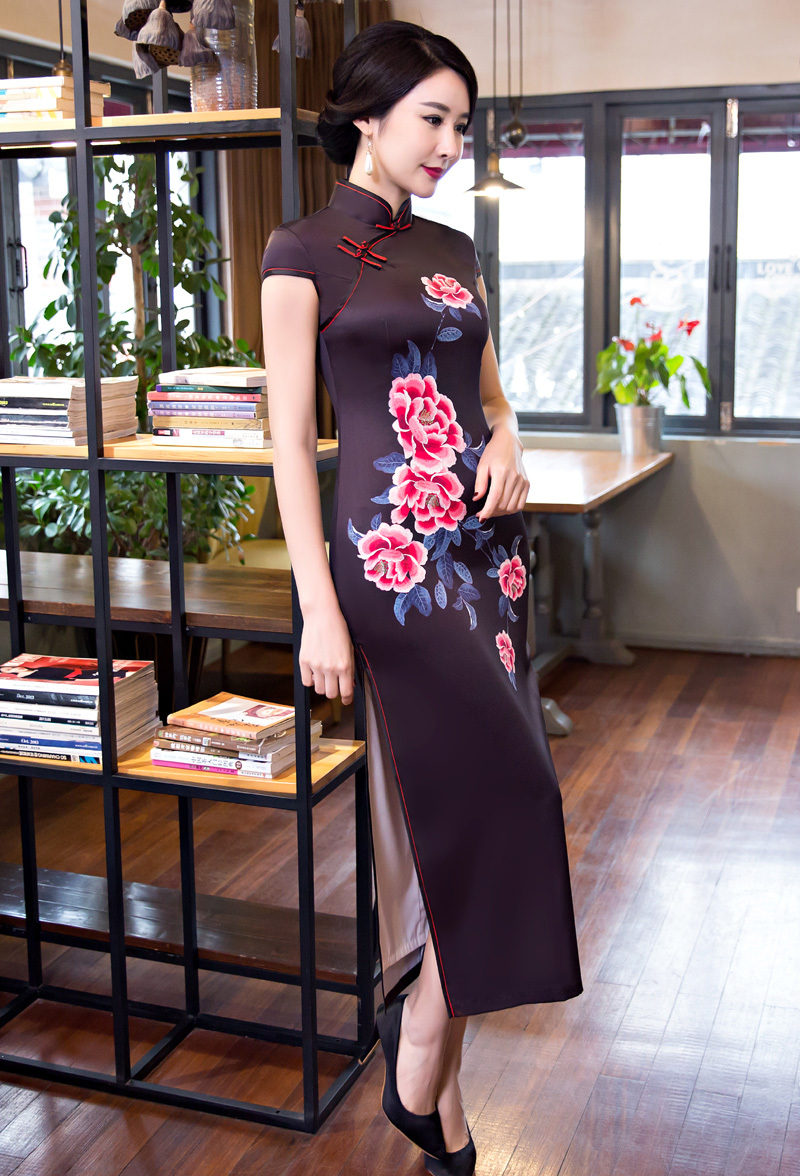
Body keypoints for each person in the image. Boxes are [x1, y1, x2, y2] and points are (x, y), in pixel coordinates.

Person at [260, 20, 583, 1174]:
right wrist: (317, 603)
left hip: (486, 552)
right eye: (431, 120)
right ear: (366, 116)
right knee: (510, 797)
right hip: (389, 564)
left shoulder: (452, 244)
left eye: (460, 123)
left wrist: (508, 438)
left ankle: (426, 1067)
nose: (449, 143)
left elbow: (489, 395)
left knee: (496, 801)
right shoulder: (300, 252)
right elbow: (288, 446)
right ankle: (420, 1050)